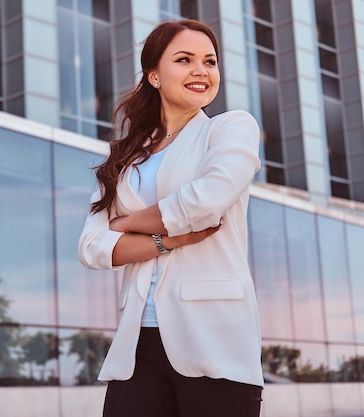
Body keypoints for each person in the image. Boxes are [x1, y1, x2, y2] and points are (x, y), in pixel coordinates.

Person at [78, 19, 264, 417]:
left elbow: (204, 204)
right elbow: (92, 248)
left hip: (215, 339)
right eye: (184, 59)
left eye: (210, 61)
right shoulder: (124, 157)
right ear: (155, 76)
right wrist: (166, 240)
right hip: (138, 344)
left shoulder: (230, 128)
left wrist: (124, 224)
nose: (201, 70)